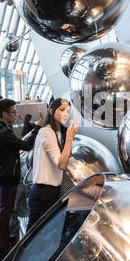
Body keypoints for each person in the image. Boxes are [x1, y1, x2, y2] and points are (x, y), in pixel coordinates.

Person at [0, 99, 44, 260]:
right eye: (13, 112)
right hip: (6, 176)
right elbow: (25, 146)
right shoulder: (3, 131)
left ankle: (2, 240)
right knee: (5, 210)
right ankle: (3, 245)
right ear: (4, 114)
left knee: (5, 209)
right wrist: (38, 127)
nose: (15, 115)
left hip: (0, 174)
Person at [26, 98, 79, 231]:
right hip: (43, 193)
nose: (65, 114)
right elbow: (61, 164)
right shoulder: (47, 132)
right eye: (62, 110)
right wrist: (70, 138)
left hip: (48, 192)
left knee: (41, 235)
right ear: (51, 111)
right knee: (33, 238)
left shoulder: (55, 132)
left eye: (68, 111)